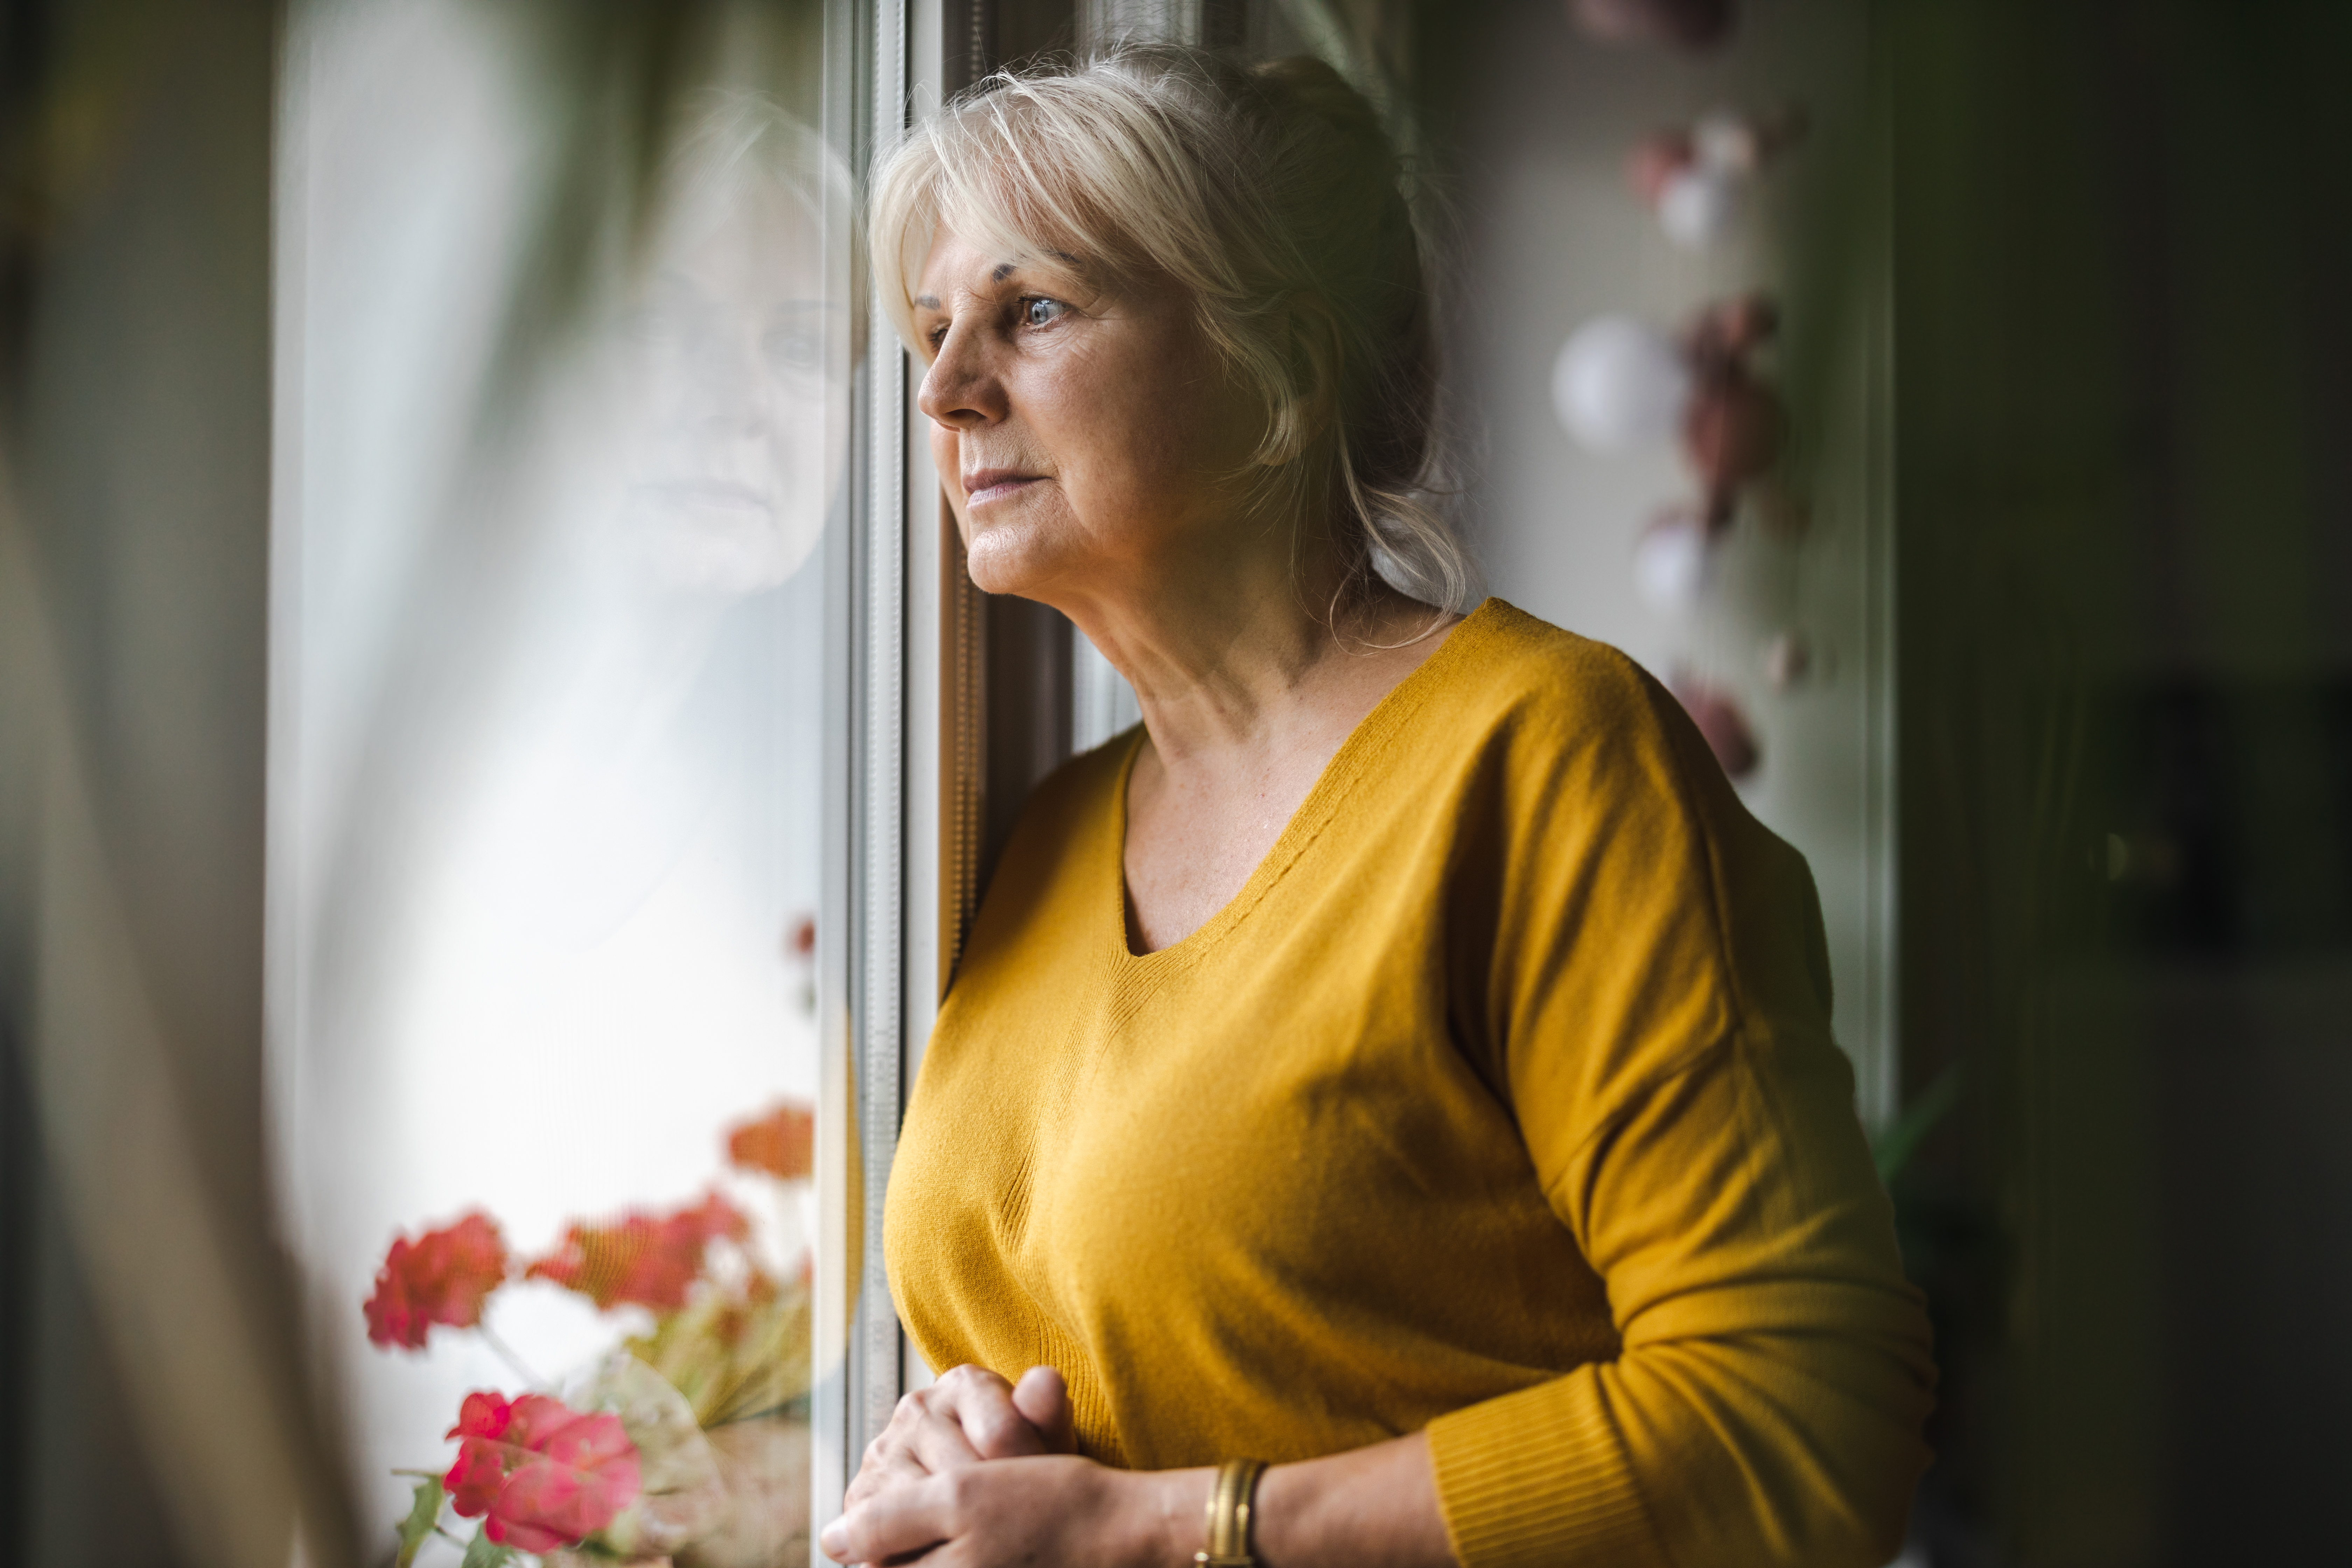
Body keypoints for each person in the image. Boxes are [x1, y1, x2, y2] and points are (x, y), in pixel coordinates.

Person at [822, 44, 1934, 1568]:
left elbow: (1804, 1419)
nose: (945, 390)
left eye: (1034, 311)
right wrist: (956, 1451)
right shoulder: (1044, 837)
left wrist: (1167, 1529)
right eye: (936, 328)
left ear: (1279, 358)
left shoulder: (1543, 754)